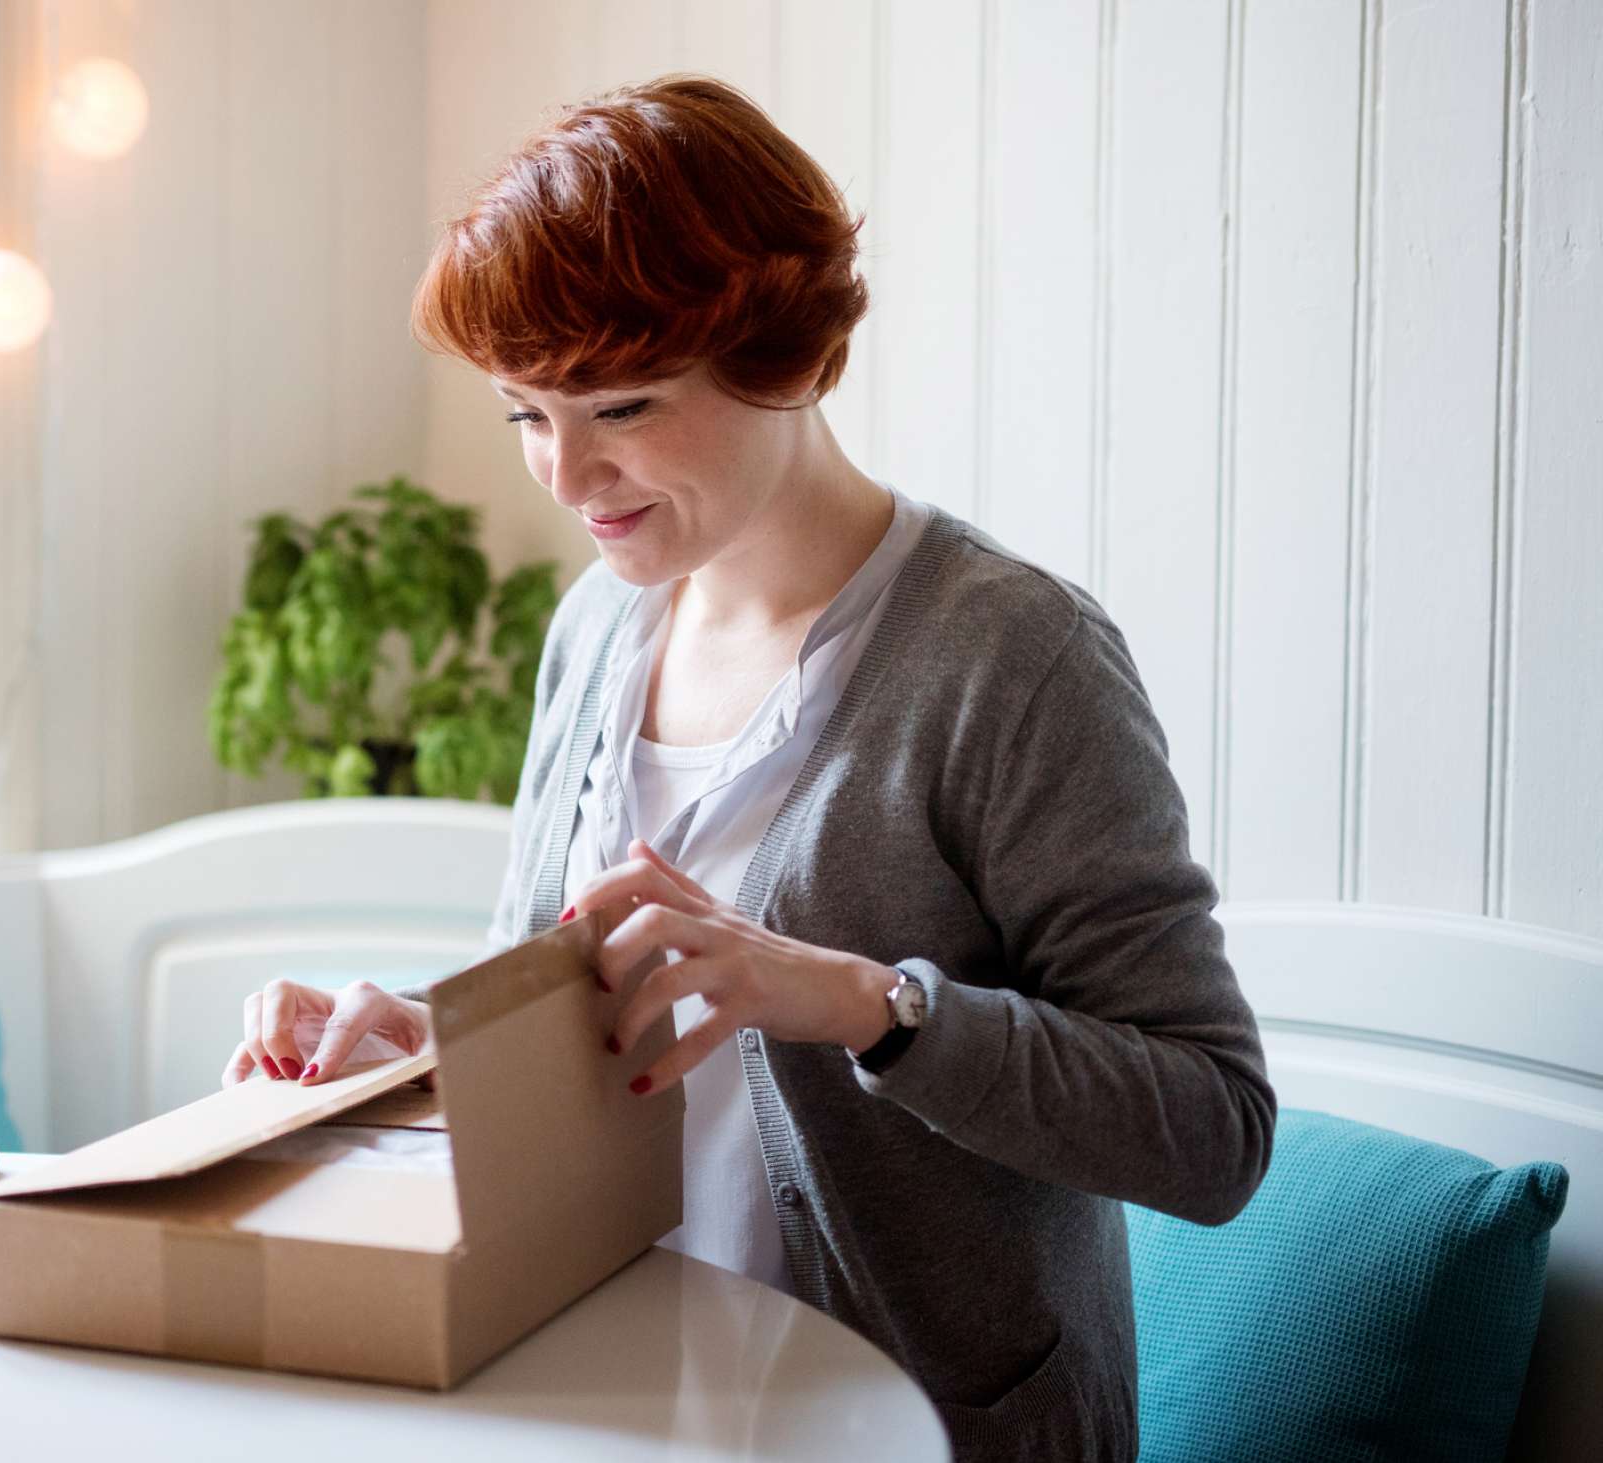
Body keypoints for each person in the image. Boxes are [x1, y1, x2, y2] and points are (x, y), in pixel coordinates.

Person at [220, 75, 1273, 1460]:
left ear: (792, 357)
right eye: (524, 414)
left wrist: (862, 1004)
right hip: (612, 1402)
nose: (565, 472)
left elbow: (1212, 1130)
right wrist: (423, 1047)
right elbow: (588, 1031)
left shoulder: (1013, 660)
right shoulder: (598, 624)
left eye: (626, 406)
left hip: (901, 1425)